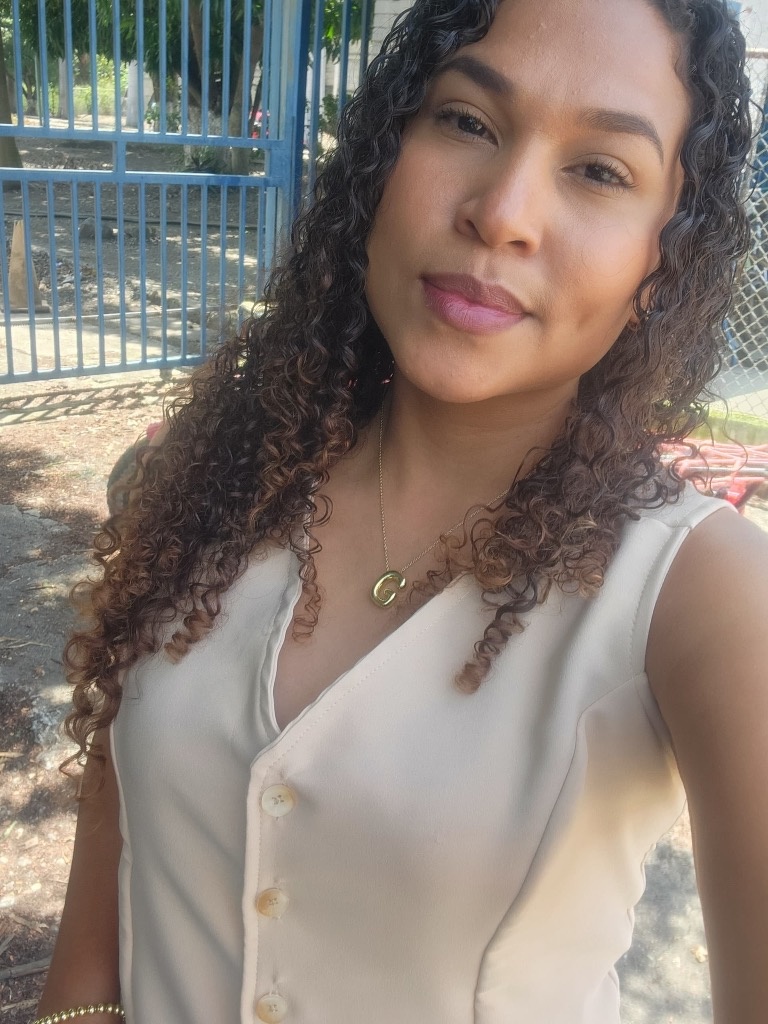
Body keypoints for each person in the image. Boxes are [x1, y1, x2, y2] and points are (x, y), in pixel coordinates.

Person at [35, 0, 768, 1022]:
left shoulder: (703, 593)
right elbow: (86, 969)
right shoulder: (212, 480)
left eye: (601, 170)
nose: (503, 212)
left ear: (662, 262)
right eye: (467, 120)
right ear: (382, 156)